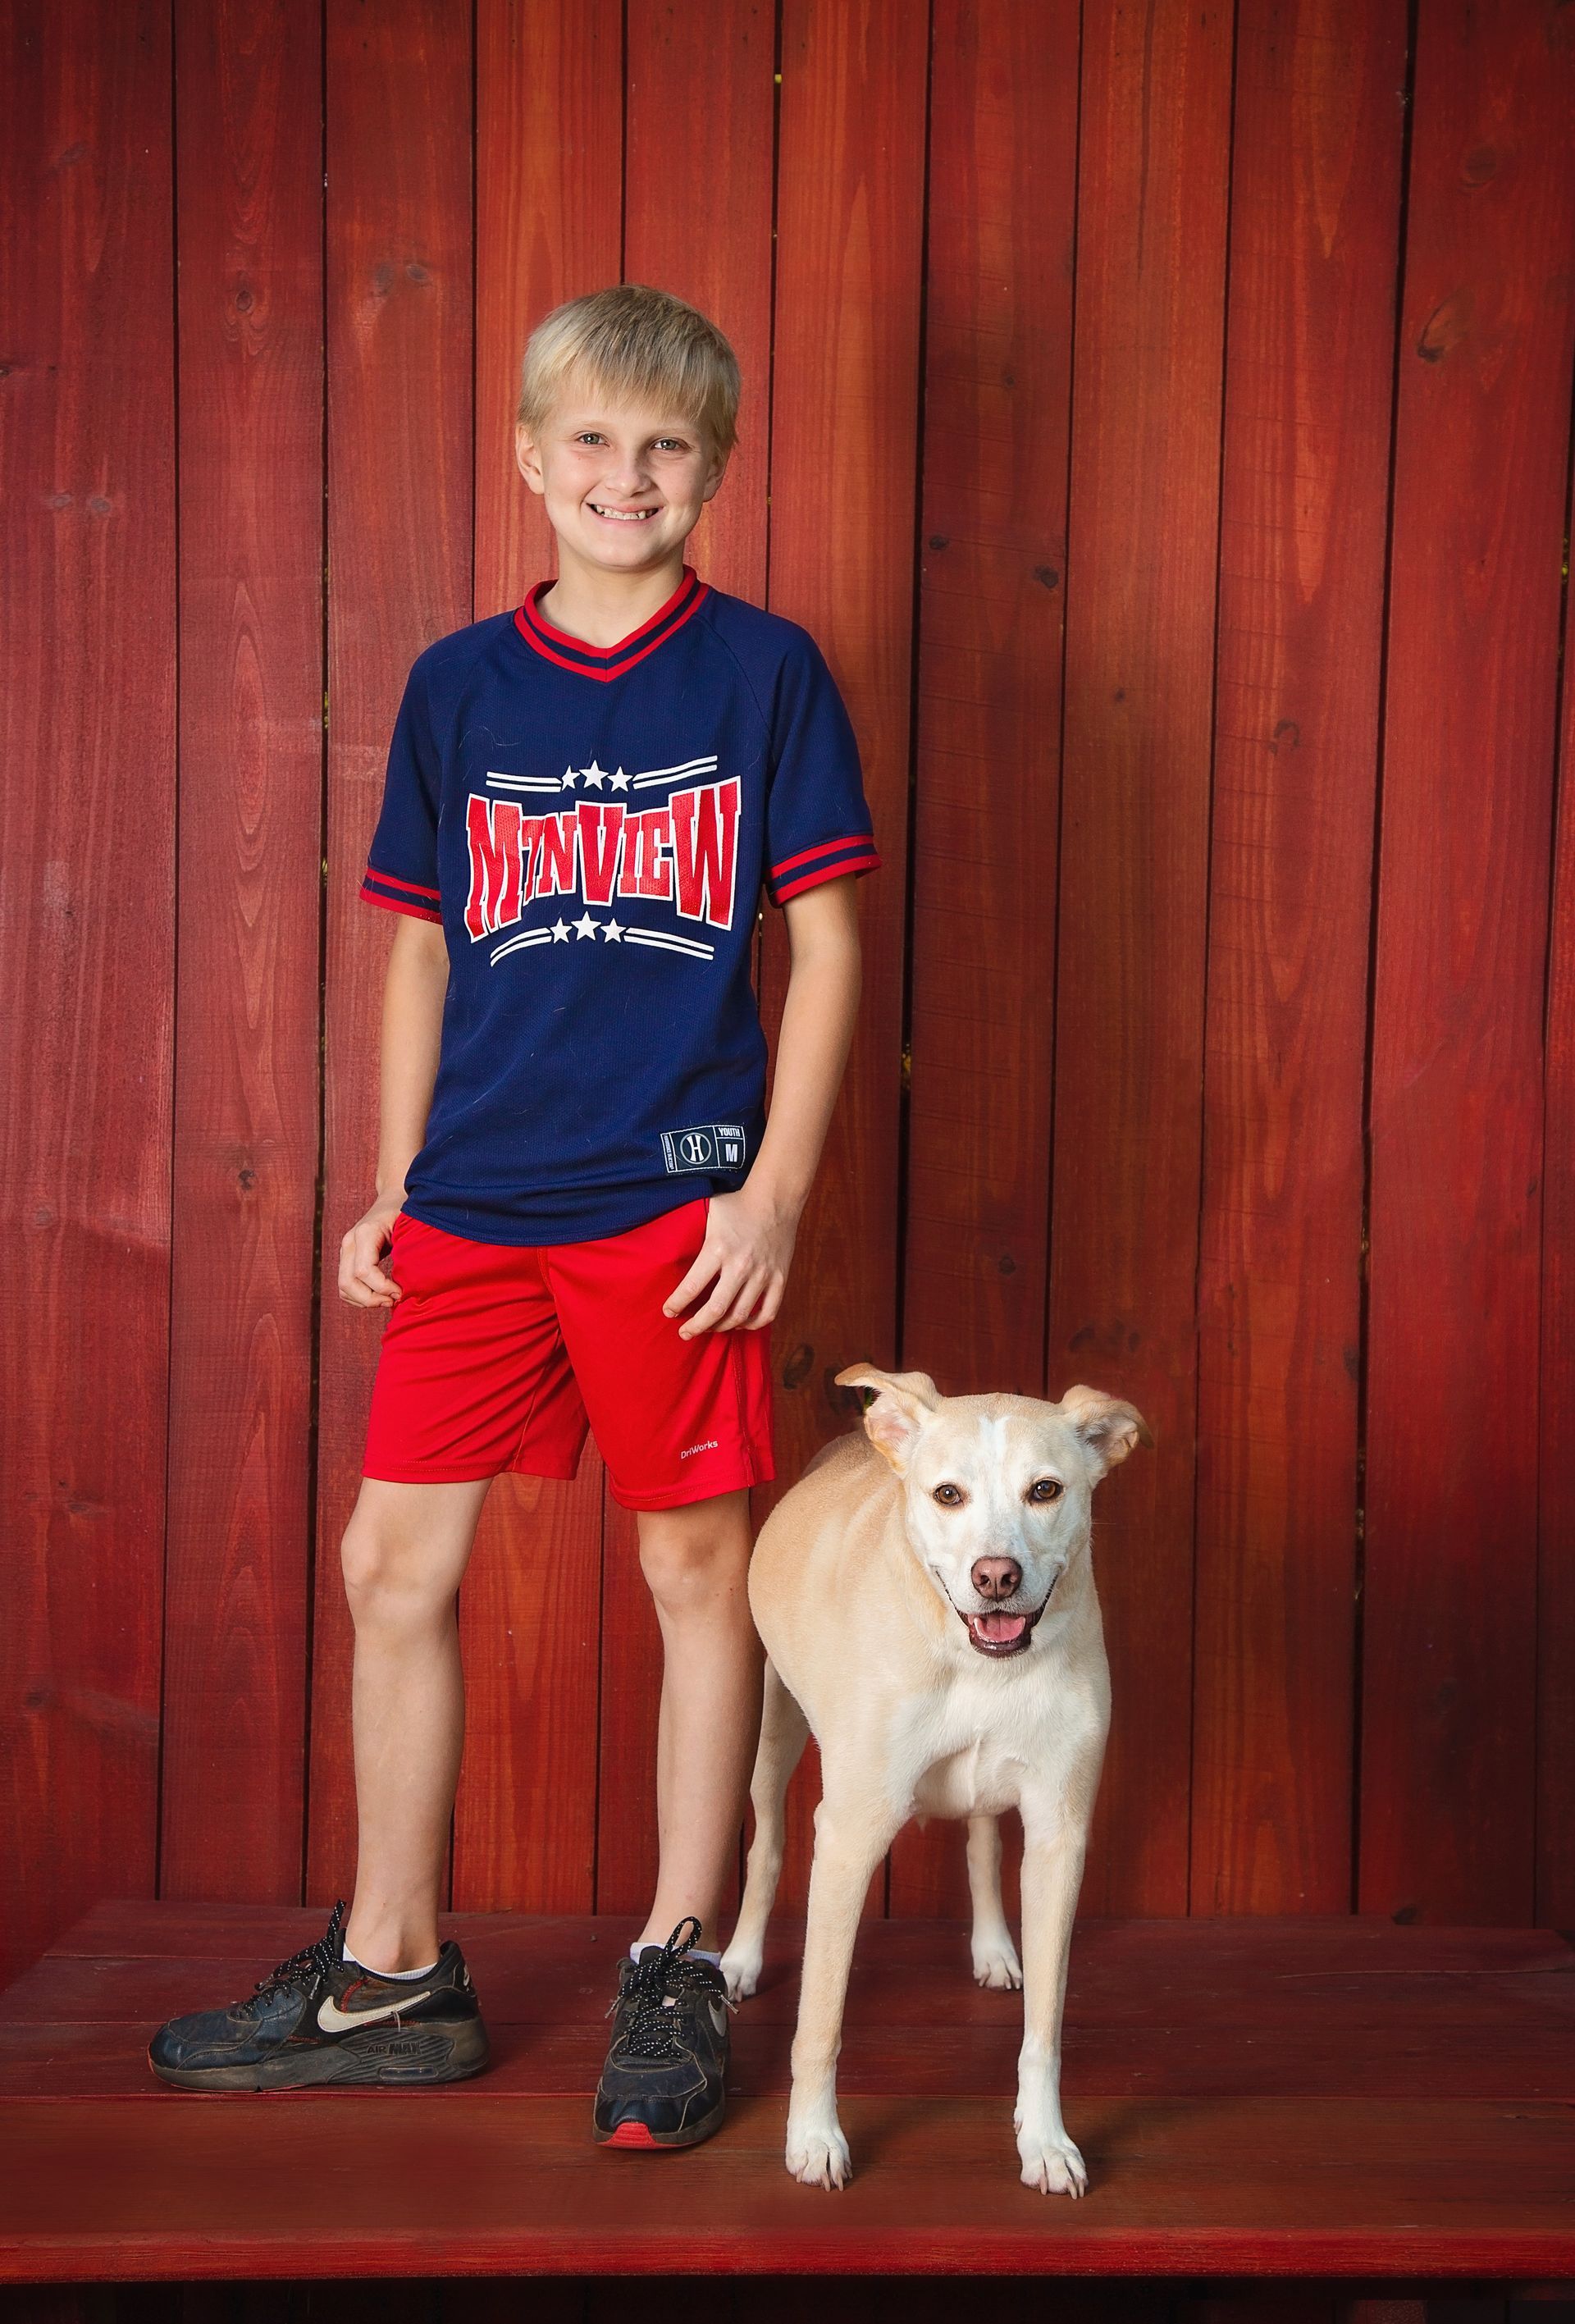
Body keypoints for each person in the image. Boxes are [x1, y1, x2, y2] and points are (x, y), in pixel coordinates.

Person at [148, 283, 879, 2152]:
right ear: (530, 457)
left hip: (671, 1207)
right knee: (390, 1566)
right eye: (593, 442)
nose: (625, 476)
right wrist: (399, 1177)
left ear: (712, 468)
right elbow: (416, 950)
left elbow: (830, 945)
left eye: (667, 448)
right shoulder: (458, 685)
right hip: (481, 1196)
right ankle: (391, 1975)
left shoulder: (766, 670)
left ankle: (680, 1961)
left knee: (693, 1573)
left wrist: (773, 1188)